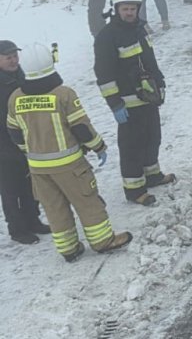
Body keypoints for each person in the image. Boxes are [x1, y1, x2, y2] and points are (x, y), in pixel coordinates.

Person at [6, 43, 131, 262]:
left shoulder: (16, 97)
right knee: (87, 202)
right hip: (70, 165)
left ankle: (69, 249)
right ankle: (103, 241)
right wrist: (99, 146)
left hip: (37, 168)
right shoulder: (63, 94)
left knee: (54, 208)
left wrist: (30, 152)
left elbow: (14, 132)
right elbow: (81, 128)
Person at [94, 0, 175, 206]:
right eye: (125, 9)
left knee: (152, 138)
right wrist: (115, 104)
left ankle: (152, 175)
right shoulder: (107, 37)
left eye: (132, 8)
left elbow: (150, 60)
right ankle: (134, 189)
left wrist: (160, 82)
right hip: (128, 105)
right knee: (132, 146)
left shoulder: (140, 29)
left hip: (148, 98)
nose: (129, 13)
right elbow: (103, 74)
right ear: (116, 9)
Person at [0, 41, 50, 245]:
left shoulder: (23, 75)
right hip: (4, 145)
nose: (13, 60)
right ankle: (17, 229)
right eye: (8, 57)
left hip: (27, 140)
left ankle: (33, 219)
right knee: (11, 190)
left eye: (15, 56)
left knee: (31, 183)